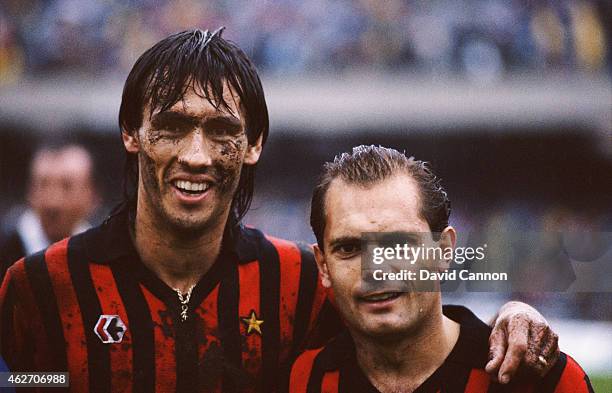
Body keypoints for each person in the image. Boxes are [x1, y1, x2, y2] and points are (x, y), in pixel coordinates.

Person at [1, 29, 559, 393]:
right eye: (171, 127)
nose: (196, 156)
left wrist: (511, 316)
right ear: (132, 133)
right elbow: (25, 382)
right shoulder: (42, 286)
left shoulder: (299, 284)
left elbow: (414, 332)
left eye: (222, 131)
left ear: (253, 145)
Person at [289, 145, 592, 393]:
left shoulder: (544, 383)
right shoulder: (301, 381)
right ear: (323, 265)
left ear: (443, 251)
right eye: (349, 249)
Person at [0, 141, 98, 280]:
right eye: (43, 185)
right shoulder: (5, 248)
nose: (53, 202)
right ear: (29, 191)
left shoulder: (100, 258)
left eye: (67, 187)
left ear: (93, 195)